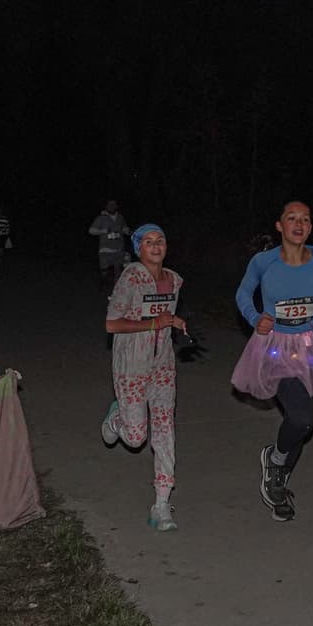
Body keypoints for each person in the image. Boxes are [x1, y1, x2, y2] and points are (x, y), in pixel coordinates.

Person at [231, 200, 313, 522]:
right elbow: (243, 294)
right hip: (275, 348)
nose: (299, 224)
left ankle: (278, 477)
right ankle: (276, 460)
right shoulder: (263, 261)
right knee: (300, 419)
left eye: (305, 220)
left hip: (311, 348)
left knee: (306, 420)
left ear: (310, 227)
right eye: (292, 219)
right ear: (279, 226)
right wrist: (256, 317)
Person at [101, 223, 187, 531]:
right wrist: (153, 324)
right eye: (148, 241)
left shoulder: (175, 281)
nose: (155, 245)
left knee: (165, 430)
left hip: (162, 365)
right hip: (132, 364)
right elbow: (112, 324)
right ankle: (116, 419)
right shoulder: (131, 277)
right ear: (138, 249)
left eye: (160, 240)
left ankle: (161, 504)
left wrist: (174, 322)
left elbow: (163, 317)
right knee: (136, 438)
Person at [89, 198, 131, 293]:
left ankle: (116, 291)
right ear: (106, 206)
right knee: (104, 271)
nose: (112, 206)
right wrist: (103, 231)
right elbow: (91, 230)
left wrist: (128, 231)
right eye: (110, 204)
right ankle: (103, 283)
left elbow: (124, 228)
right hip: (105, 249)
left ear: (117, 206)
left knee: (118, 269)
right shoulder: (101, 218)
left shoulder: (120, 218)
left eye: (114, 204)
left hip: (119, 249)